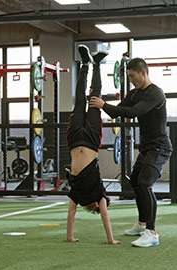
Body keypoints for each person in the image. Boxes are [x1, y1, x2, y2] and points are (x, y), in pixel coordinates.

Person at [89, 58, 172, 248]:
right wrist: (98, 100)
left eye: (133, 76)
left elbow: (133, 112)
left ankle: (151, 232)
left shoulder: (156, 94)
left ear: (143, 72)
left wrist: (102, 105)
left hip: (160, 147)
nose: (131, 80)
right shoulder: (135, 93)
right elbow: (117, 111)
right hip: (146, 147)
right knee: (135, 182)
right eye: (129, 77)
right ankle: (142, 224)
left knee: (144, 184)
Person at [65, 45, 120, 245]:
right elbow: (106, 216)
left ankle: (85, 64)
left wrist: (70, 237)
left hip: (75, 138)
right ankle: (97, 64)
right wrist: (111, 240)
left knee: (80, 100)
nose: (97, 207)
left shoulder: (77, 195)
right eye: (98, 207)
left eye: (95, 208)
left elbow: (71, 215)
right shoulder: (100, 194)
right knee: (95, 100)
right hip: (90, 140)